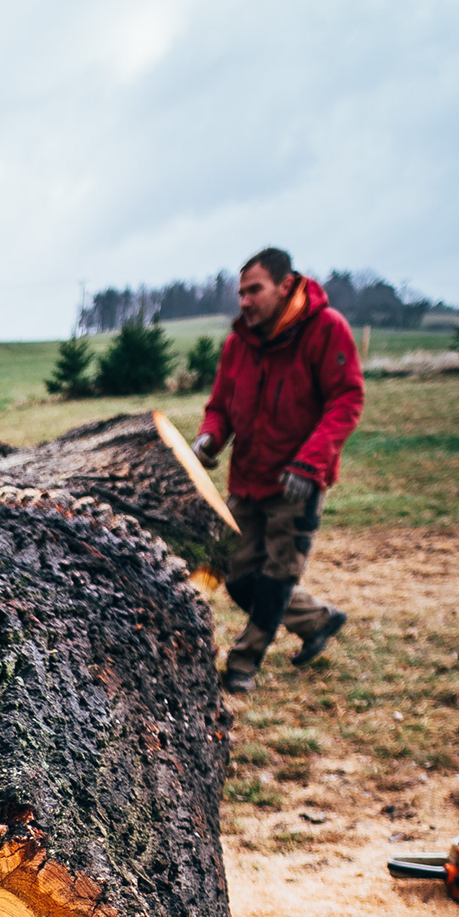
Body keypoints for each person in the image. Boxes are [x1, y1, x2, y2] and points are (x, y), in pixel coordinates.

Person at [194, 247, 365, 696]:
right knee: (235, 572)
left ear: (285, 285)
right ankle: (318, 619)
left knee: (276, 577)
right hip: (247, 479)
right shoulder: (239, 342)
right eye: (241, 293)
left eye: (255, 290)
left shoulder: (327, 330)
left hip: (299, 484)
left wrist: (311, 462)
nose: (245, 301)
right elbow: (220, 407)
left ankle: (243, 663)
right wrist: (210, 438)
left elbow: (346, 400)